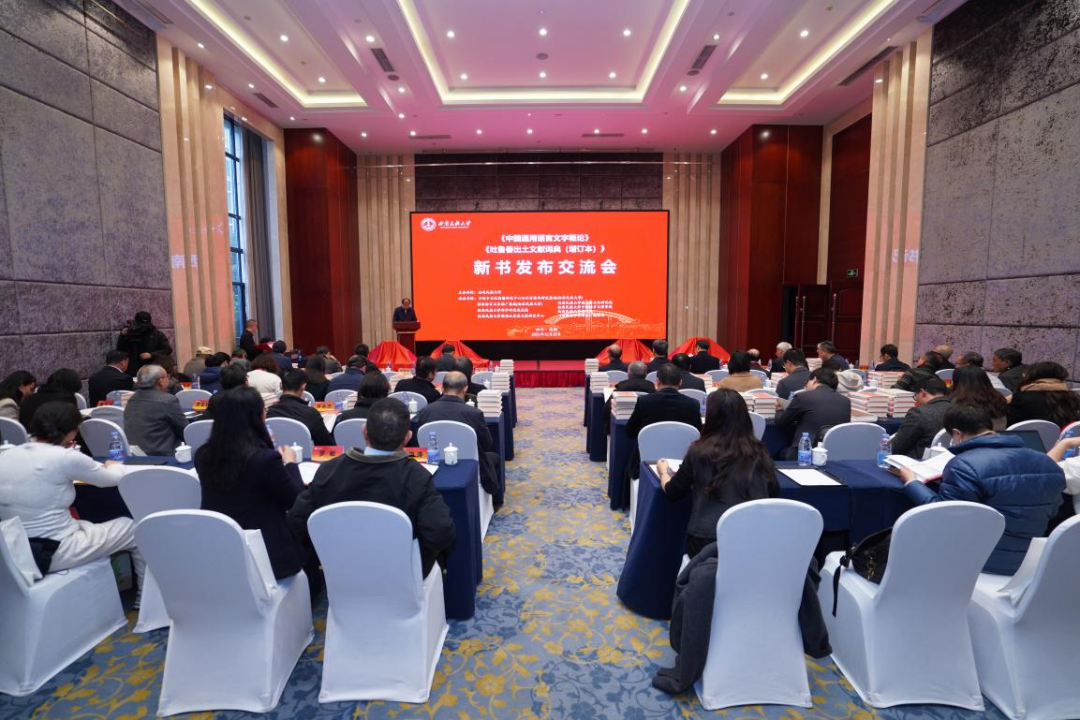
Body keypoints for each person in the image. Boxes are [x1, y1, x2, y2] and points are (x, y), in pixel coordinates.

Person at [288, 398, 455, 577]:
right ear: (407, 437)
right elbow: (440, 534)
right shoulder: (417, 477)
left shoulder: (329, 470)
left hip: (341, 571)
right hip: (402, 574)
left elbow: (297, 521)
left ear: (364, 431)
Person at [899, 404, 1064, 575]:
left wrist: (912, 484)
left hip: (979, 560)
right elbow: (1053, 511)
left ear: (957, 434)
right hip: (1034, 562)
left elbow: (945, 516)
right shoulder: (1048, 462)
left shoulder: (963, 465)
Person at [0, 402, 144, 596]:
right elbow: (113, 479)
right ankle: (144, 598)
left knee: (87, 522)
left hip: (14, 548)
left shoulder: (7, 454)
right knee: (133, 528)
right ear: (72, 431)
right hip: (51, 550)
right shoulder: (66, 457)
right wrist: (113, 465)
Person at [195, 387, 319, 597]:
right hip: (267, 552)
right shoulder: (264, 459)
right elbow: (295, 501)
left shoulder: (203, 454)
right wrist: (290, 463)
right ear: (257, 417)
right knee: (307, 527)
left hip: (221, 546)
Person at [656, 389, 778, 558]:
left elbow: (674, 492)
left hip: (706, 539)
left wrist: (663, 472)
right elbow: (773, 491)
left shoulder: (699, 451)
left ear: (711, 417)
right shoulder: (759, 451)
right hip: (752, 538)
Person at [624, 364, 702, 505]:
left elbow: (629, 431)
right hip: (683, 463)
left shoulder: (644, 401)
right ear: (680, 383)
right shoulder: (693, 404)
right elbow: (697, 435)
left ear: (657, 382)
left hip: (646, 461)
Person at [416, 372, 502, 498]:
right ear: (465, 388)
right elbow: (487, 444)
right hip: (470, 463)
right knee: (494, 457)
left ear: (442, 387)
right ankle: (495, 501)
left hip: (433, 463)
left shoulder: (425, 411)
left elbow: (420, 444)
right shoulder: (474, 413)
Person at [773, 368, 851, 459]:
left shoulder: (803, 397)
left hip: (804, 453)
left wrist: (779, 409)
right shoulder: (846, 401)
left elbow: (781, 422)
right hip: (835, 453)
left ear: (814, 380)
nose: (805, 386)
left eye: (806, 382)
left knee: (779, 452)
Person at [124, 365, 187, 456]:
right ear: (161, 381)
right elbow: (184, 430)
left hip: (135, 455)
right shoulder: (168, 401)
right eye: (167, 377)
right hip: (162, 456)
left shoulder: (131, 399)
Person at [267, 370, 335, 447]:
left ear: (281, 386)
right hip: (306, 454)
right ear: (303, 386)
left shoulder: (269, 412)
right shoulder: (311, 414)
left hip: (276, 453)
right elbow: (327, 444)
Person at [889, 376, 950, 459]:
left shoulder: (918, 413)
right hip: (948, 460)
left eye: (915, 396)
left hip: (917, 461)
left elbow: (897, 447)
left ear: (922, 393)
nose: (916, 400)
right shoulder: (958, 409)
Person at [1006, 361, 1080, 428]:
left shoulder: (1022, 398)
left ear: (1031, 376)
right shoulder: (1073, 397)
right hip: (1067, 437)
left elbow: (1008, 424)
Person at [950, 365, 1009, 430]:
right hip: (999, 434)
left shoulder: (958, 402)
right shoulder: (999, 397)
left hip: (972, 435)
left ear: (957, 381)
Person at [116, 311, 172, 376]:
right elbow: (120, 350)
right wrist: (123, 336)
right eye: (141, 325)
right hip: (133, 368)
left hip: (152, 368)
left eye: (146, 325)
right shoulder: (131, 333)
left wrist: (151, 355)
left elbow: (167, 350)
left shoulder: (157, 334)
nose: (143, 328)